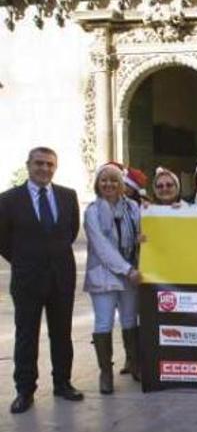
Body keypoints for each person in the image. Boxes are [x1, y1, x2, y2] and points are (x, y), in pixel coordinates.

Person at [0, 147, 83, 414]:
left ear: (55, 168)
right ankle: (25, 390)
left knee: (62, 333)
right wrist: (25, 261)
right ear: (28, 165)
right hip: (27, 279)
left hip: (61, 277)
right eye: (39, 163)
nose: (44, 169)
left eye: (49, 164)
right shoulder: (8, 200)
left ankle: (63, 383)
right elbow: (3, 240)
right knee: (26, 334)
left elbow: (70, 232)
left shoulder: (68, 196)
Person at [83, 163, 143, 394]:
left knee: (129, 319)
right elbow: (102, 247)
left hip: (130, 273)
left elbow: (142, 233)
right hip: (104, 275)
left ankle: (135, 363)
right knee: (104, 322)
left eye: (114, 180)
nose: (109, 184)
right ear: (97, 183)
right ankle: (105, 373)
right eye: (104, 180)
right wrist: (127, 270)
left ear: (122, 185)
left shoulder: (133, 207)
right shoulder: (92, 212)